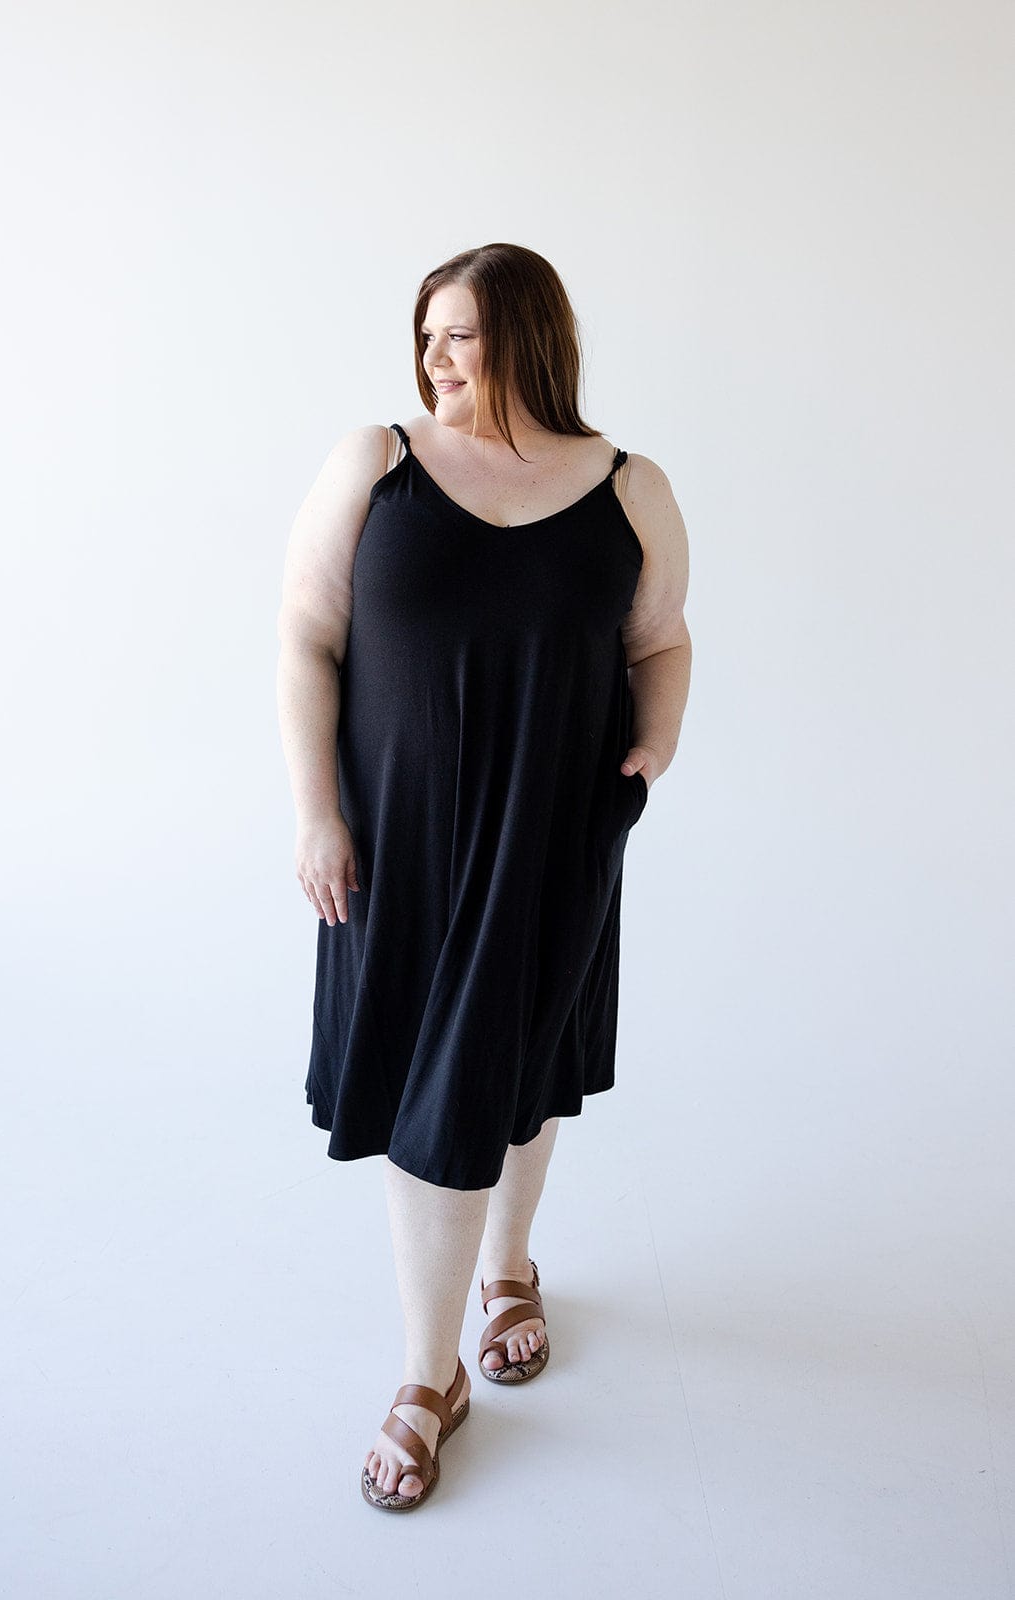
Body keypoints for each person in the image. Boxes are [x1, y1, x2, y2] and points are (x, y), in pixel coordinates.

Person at [276, 242, 691, 1511]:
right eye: (428, 335)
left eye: (460, 334)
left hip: (554, 830)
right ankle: (427, 1372)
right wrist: (316, 815)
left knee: (519, 1062)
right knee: (432, 1085)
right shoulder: (378, 463)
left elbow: (660, 638)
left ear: (530, 340)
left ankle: (510, 1262)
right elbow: (305, 629)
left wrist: (651, 751)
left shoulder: (627, 485)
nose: (434, 358)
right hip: (397, 838)